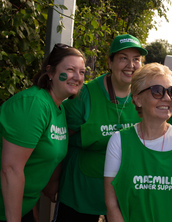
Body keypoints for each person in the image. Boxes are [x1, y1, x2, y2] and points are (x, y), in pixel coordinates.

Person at [54, 34, 146, 221]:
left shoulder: (144, 96)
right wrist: (52, 181)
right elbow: (59, 142)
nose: (131, 65)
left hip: (123, 194)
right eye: (123, 58)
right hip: (82, 194)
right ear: (110, 63)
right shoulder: (83, 96)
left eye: (136, 59)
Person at [104, 63, 172, 221]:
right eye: (157, 91)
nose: (167, 98)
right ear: (138, 99)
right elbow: (112, 204)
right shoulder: (119, 141)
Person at [0, 43, 86, 221]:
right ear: (50, 72)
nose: (77, 77)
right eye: (70, 69)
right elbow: (11, 169)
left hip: (23, 207)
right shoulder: (33, 104)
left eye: (82, 72)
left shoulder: (58, 108)